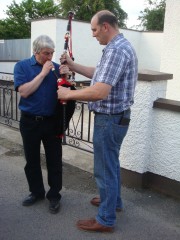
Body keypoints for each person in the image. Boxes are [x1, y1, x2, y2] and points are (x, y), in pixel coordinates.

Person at [58, 10, 138, 232]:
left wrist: (68, 95)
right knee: (110, 165)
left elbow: (100, 91)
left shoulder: (116, 51)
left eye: (94, 29)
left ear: (105, 27)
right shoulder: (115, 48)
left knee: (104, 169)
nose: (93, 34)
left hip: (110, 120)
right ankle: (114, 202)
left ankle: (105, 219)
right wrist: (73, 65)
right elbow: (98, 73)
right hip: (115, 119)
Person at [14, 35, 68, 214]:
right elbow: (25, 92)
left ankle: (54, 195)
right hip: (30, 121)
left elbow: (66, 90)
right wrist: (43, 73)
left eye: (52, 53)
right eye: (46, 53)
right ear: (36, 52)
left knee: (54, 160)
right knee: (32, 160)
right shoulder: (22, 66)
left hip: (51, 122)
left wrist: (67, 76)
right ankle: (36, 192)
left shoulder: (57, 69)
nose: (50, 57)